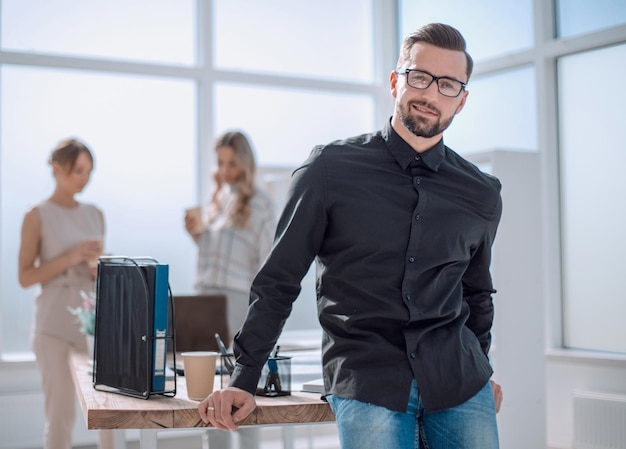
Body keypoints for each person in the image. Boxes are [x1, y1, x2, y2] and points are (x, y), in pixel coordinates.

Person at [199, 23, 505, 449]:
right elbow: (278, 280)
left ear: (463, 99)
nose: (431, 94)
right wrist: (244, 376)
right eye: (420, 77)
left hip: (459, 380)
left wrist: (481, 371)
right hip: (368, 376)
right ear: (396, 81)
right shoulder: (329, 170)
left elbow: (477, 294)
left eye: (449, 84)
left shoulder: (481, 192)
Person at [18, 138, 112, 449]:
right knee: (60, 416)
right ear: (57, 168)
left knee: (108, 410)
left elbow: (101, 272)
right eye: (77, 171)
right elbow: (25, 276)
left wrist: (99, 268)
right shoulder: (37, 214)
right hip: (53, 326)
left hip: (91, 325)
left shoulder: (95, 213)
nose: (83, 179)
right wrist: (71, 257)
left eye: (89, 172)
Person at [185, 130, 276, 449]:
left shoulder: (262, 204)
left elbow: (267, 264)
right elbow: (217, 256)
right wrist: (196, 235)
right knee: (206, 391)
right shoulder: (218, 199)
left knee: (237, 388)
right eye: (220, 163)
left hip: (237, 302)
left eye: (232, 163)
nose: (225, 171)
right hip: (204, 301)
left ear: (245, 163)